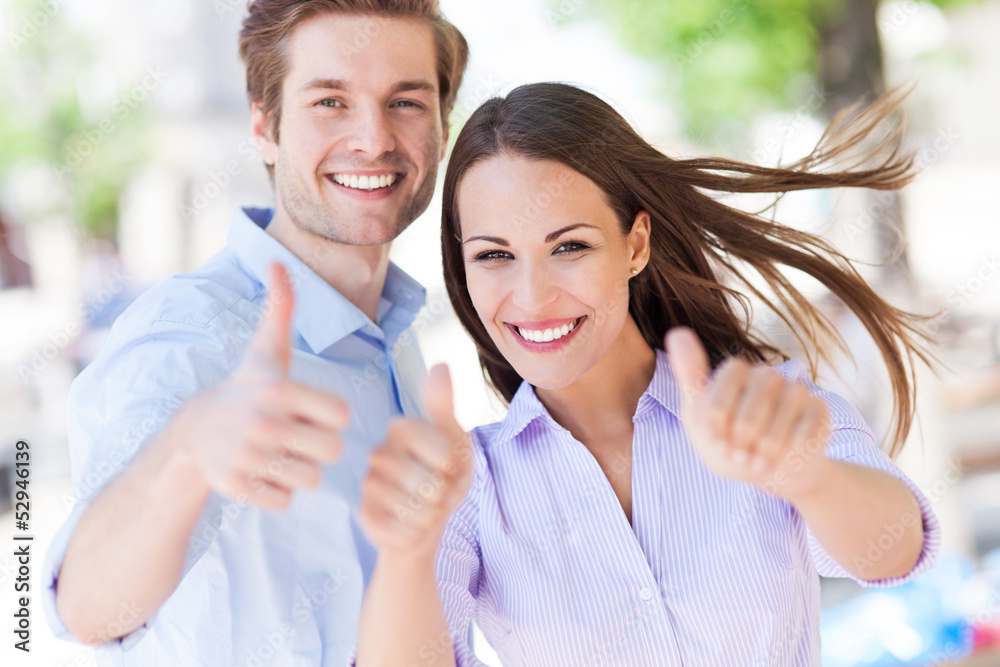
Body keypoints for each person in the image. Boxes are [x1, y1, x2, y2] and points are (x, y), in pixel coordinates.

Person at [352, 82, 942, 666]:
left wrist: (805, 475)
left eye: (569, 247)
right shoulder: (467, 489)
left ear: (635, 245)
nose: (531, 298)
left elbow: (895, 551)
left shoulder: (766, 411)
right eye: (494, 255)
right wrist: (405, 553)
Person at [41, 1, 468, 664]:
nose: (374, 138)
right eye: (330, 102)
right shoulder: (189, 336)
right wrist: (186, 450)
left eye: (406, 102)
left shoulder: (398, 341)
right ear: (265, 127)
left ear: (442, 128)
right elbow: (86, 608)